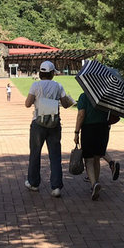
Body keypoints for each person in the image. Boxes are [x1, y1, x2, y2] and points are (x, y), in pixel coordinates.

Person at [25, 61, 75, 197]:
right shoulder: (58, 86)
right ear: (52, 73)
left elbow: (27, 104)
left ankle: (34, 183)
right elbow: (65, 104)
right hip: (54, 123)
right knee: (55, 155)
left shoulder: (35, 85)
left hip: (38, 123)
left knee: (35, 154)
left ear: (40, 73)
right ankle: (56, 186)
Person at [75, 93, 113, 200]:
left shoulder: (84, 96)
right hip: (103, 128)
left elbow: (81, 115)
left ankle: (94, 184)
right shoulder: (105, 97)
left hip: (88, 129)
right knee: (97, 157)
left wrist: (76, 132)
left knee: (88, 159)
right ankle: (96, 180)